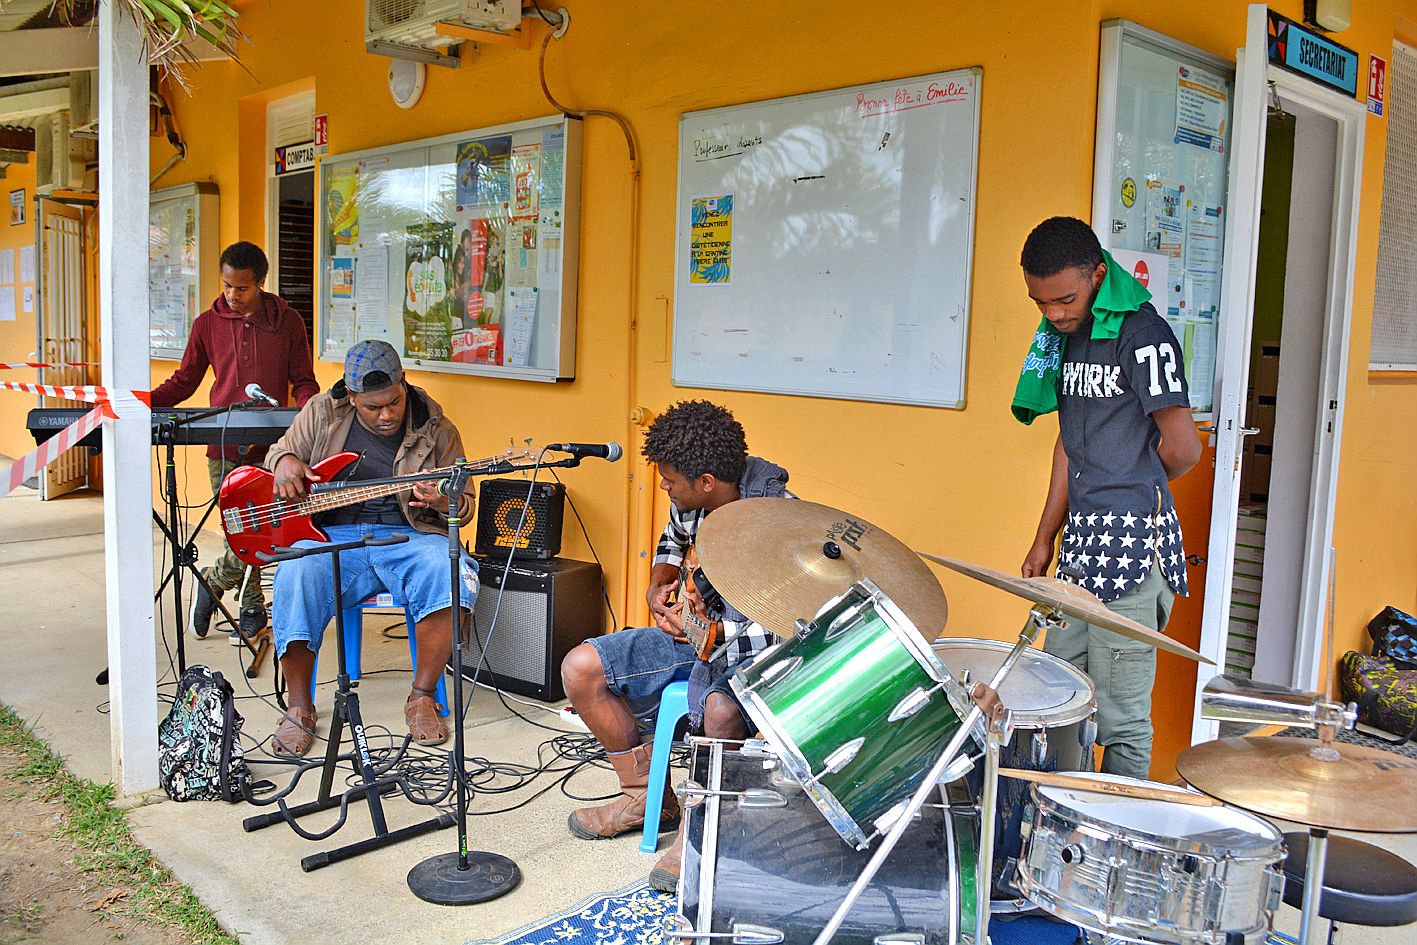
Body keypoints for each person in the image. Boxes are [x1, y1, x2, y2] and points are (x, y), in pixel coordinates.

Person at [560, 400, 788, 894]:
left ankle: (698, 832)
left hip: (753, 652)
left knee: (721, 711)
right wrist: (658, 586)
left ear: (706, 481)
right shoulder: (696, 500)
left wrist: (720, 635)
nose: (664, 486)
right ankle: (648, 799)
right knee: (581, 669)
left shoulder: (778, 525)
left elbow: (798, 627)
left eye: (670, 481)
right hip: (700, 639)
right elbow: (672, 536)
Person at [1013, 216, 1202, 779]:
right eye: (1040, 302)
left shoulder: (1142, 334)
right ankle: (1056, 827)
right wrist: (1044, 538)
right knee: (1057, 696)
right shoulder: (1064, 339)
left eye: (1065, 298)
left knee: (1120, 719)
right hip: (1080, 549)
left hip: (1134, 547)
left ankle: (1113, 839)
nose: (1054, 314)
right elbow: (1070, 446)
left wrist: (1129, 485)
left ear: (1098, 275)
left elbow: (1184, 448)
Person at [261, 340, 476, 757]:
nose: (386, 415)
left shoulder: (437, 427)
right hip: (334, 536)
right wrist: (285, 460)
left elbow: (464, 507)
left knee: (448, 569)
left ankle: (422, 696)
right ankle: (299, 706)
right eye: (373, 407)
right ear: (352, 396)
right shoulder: (322, 412)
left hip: (408, 536)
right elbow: (279, 453)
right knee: (296, 572)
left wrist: (442, 500)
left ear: (403, 383)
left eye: (393, 402)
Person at [150, 241, 319, 645]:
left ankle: (215, 582)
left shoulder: (289, 321)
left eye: (241, 288)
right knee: (240, 532)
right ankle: (251, 607)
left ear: (261, 283)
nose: (231, 294)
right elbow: (184, 381)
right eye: (226, 285)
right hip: (222, 447)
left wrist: (314, 416)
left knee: (262, 530)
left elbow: (304, 379)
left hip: (275, 448)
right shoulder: (206, 324)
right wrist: (140, 405)